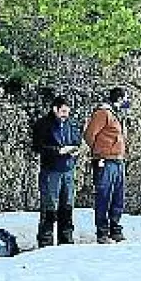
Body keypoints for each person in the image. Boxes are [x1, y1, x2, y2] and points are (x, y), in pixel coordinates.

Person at [31, 96, 82, 247]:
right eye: (63, 111)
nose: (66, 114)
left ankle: (66, 239)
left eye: (68, 111)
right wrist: (57, 150)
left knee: (67, 206)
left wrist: (75, 150)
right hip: (50, 170)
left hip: (68, 170)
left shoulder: (72, 124)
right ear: (55, 109)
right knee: (49, 207)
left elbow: (77, 141)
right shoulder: (43, 124)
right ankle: (45, 241)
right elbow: (37, 146)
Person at [84, 87, 130, 243]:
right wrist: (99, 152)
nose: (127, 102)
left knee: (118, 197)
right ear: (119, 98)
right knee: (104, 196)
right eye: (125, 98)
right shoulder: (103, 113)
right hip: (105, 161)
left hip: (118, 160)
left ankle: (115, 229)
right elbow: (89, 134)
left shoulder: (116, 115)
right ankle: (102, 232)